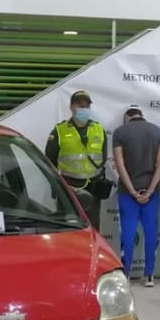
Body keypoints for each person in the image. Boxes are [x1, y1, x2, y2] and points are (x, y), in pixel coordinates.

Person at [112, 105, 160, 287]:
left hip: (128, 193)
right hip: (151, 193)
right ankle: (149, 275)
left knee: (128, 233)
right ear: (141, 116)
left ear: (127, 117)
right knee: (151, 233)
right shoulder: (158, 132)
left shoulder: (120, 133)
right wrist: (150, 190)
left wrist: (132, 190)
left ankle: (126, 273)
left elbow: (120, 165)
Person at [45, 90, 108, 230]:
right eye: (79, 105)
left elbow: (103, 157)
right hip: (69, 188)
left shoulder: (98, 129)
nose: (83, 109)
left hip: (93, 187)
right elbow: (50, 161)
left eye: (86, 106)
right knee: (69, 227)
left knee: (93, 227)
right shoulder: (59, 130)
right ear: (71, 107)